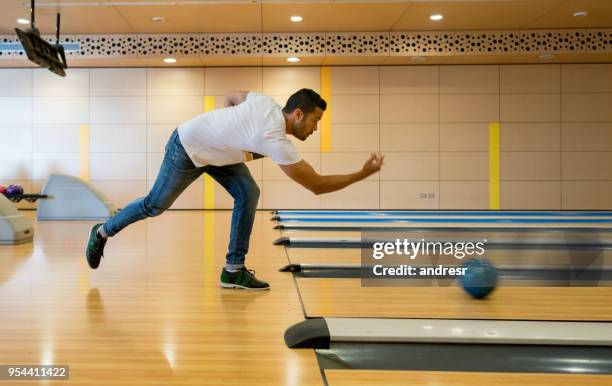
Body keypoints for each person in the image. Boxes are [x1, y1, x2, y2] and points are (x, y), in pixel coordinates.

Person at [86, 88, 384, 290]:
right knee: (156, 204)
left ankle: (233, 270)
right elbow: (316, 185)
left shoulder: (265, 101)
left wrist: (225, 129)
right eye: (315, 120)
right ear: (297, 114)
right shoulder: (275, 139)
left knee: (248, 193)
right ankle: (102, 231)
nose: (315, 128)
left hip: (217, 153)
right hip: (187, 146)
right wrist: (362, 173)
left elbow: (232, 95)